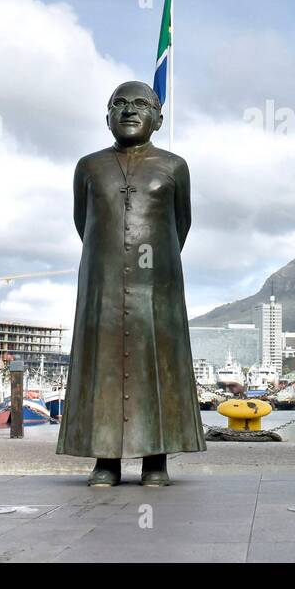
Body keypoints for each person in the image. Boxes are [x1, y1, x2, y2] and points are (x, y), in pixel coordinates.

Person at [56, 81, 204, 486]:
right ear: (107, 117)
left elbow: (180, 224)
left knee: (159, 367)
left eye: (141, 103)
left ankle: (156, 460)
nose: (129, 110)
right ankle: (106, 460)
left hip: (158, 287)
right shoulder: (89, 166)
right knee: (101, 364)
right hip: (101, 284)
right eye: (118, 104)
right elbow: (82, 221)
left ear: (158, 117)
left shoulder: (175, 167)